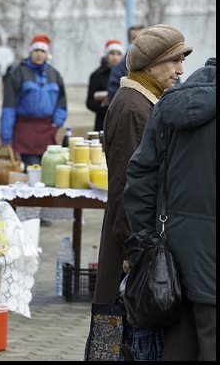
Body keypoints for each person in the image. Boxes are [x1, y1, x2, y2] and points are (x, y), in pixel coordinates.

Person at [94, 24, 193, 306]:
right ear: (149, 66)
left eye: (181, 61)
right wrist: (132, 248)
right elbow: (126, 184)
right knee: (120, 326)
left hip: (138, 234)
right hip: (131, 237)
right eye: (174, 61)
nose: (180, 70)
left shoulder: (146, 102)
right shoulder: (132, 108)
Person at [124, 57, 215, 361]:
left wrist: (144, 242)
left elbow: (139, 176)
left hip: (172, 256)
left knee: (179, 339)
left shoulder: (168, 103)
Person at [0, 34, 67, 170]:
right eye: (36, 50)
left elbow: (62, 103)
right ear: (31, 52)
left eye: (42, 51)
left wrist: (56, 123)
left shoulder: (54, 75)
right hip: (25, 130)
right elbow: (9, 107)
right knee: (32, 169)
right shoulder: (18, 73)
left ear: (47, 54)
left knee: (49, 169)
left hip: (47, 130)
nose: (39, 54)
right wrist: (5, 137)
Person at [86, 40, 124, 132]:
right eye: (112, 53)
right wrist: (104, 104)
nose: (115, 57)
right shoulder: (97, 75)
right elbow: (89, 102)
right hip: (103, 121)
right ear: (106, 55)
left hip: (122, 120)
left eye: (118, 54)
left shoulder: (126, 74)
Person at [106, 25, 146, 103]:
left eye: (142, 37)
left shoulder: (156, 64)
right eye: (134, 38)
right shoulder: (119, 69)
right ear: (129, 41)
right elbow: (113, 96)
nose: (139, 41)